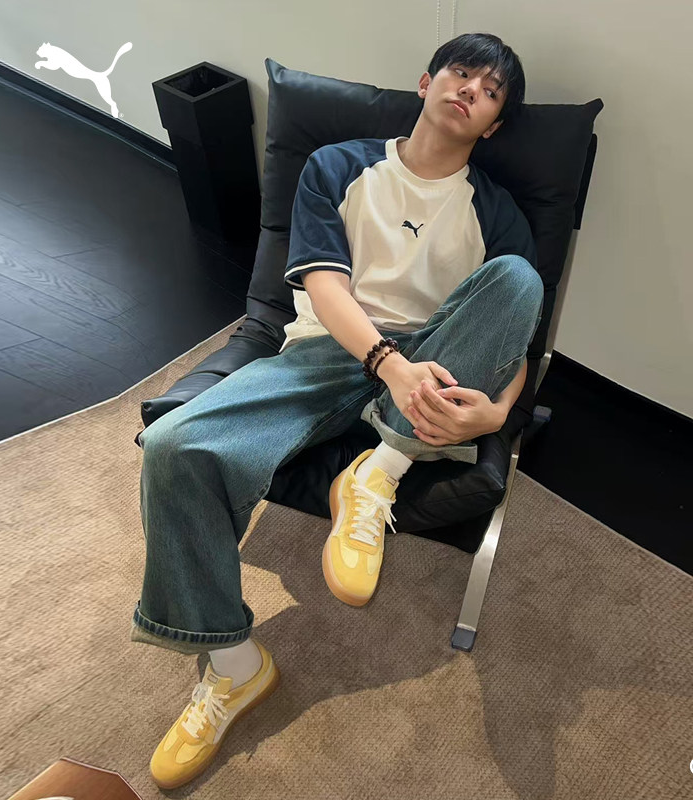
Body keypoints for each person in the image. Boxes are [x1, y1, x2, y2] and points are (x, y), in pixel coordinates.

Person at [136, 32, 545, 789]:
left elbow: (513, 340)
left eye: (490, 92)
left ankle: (377, 472)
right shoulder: (338, 165)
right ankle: (233, 666)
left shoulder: (496, 212)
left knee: (520, 279)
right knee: (173, 446)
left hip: (435, 365)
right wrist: (386, 363)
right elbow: (323, 284)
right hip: (329, 354)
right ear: (425, 82)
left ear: (493, 126)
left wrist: (495, 417)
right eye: (461, 73)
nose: (471, 90)